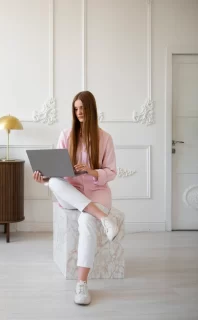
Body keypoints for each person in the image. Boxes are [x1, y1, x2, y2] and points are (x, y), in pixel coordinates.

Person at [33, 90, 119, 306]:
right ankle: (104, 217)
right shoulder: (66, 135)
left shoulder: (105, 138)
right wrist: (44, 177)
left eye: (82, 108)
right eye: (76, 108)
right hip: (71, 193)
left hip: (97, 191)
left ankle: (82, 284)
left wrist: (91, 171)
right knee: (53, 182)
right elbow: (56, 170)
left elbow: (112, 171)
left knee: (87, 220)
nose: (79, 112)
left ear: (91, 109)